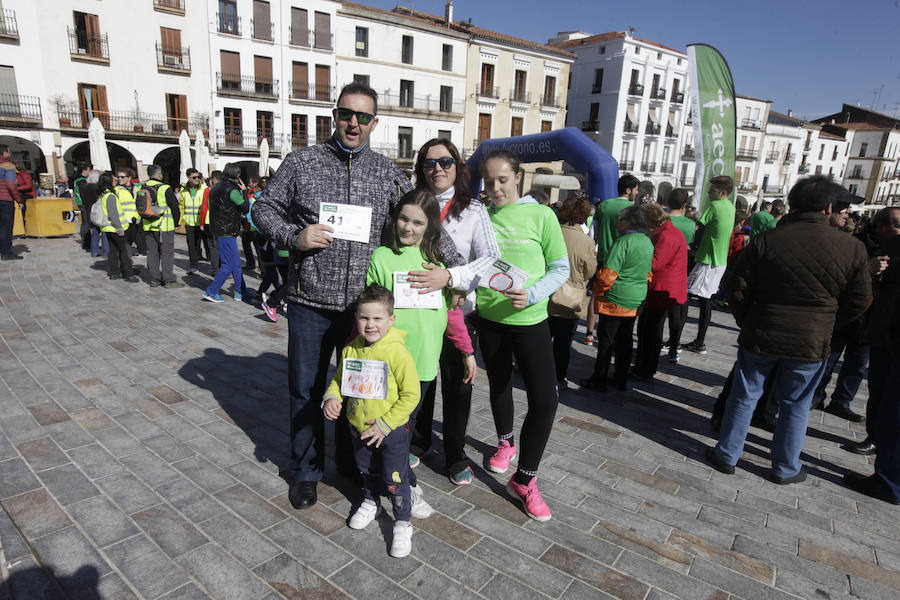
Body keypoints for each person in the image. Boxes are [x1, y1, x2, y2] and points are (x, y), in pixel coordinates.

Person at [250, 82, 463, 510]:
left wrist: (451, 271)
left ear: (374, 123)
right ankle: (307, 471)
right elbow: (263, 208)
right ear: (334, 115)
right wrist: (295, 234)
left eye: (363, 117)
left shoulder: (387, 172)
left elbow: (419, 219)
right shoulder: (302, 162)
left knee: (363, 392)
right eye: (347, 114)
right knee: (306, 390)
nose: (353, 123)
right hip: (311, 301)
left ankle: (353, 466)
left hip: (366, 312)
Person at [706, 176, 872, 484]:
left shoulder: (767, 240)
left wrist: (749, 319)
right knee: (796, 404)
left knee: (745, 396)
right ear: (829, 208)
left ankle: (727, 454)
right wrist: (829, 323)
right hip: (811, 340)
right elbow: (861, 298)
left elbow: (736, 287)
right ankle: (784, 467)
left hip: (763, 331)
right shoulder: (851, 248)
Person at [367, 189, 475, 516]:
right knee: (390, 429)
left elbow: (453, 315)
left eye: (417, 222)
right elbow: (370, 311)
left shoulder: (439, 266)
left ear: (429, 227)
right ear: (393, 217)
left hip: (425, 365)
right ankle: (401, 485)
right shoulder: (382, 258)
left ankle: (396, 481)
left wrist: (467, 351)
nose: (408, 228)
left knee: (405, 429)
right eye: (403, 218)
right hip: (391, 364)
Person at [476, 149, 569, 521]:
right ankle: (505, 442)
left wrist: (532, 293)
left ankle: (526, 478)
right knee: (498, 385)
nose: (495, 188)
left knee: (545, 400)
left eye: (502, 179)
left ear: (517, 177)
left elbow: (560, 269)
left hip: (530, 319)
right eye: (488, 181)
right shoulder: (480, 217)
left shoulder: (542, 214)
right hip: (489, 319)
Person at [404, 137, 501, 486]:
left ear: (457, 168)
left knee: (459, 388)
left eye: (445, 162)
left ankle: (456, 454)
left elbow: (490, 258)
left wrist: (452, 276)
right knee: (421, 382)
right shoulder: (411, 203)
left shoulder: (473, 210)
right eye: (429, 164)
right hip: (419, 313)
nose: (437, 169)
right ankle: (419, 440)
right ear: (421, 169)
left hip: (460, 315)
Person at [322, 284, 420, 556]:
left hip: (391, 432)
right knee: (365, 469)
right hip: (359, 430)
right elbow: (338, 381)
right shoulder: (350, 349)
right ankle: (370, 501)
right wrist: (332, 398)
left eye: (378, 318)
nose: (370, 324)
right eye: (364, 317)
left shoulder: (397, 353)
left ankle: (402, 521)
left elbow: (412, 395)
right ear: (356, 318)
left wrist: (386, 424)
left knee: (394, 477)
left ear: (391, 319)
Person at [843, 208, 900, 504]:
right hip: (884, 332)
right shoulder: (882, 246)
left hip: (891, 333)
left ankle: (889, 481)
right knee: (881, 396)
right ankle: (882, 458)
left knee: (893, 409)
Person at [581, 204, 653, 391]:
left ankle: (600, 378)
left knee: (606, 340)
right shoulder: (647, 241)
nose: (618, 222)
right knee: (625, 340)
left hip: (616, 298)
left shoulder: (623, 242)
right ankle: (621, 378)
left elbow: (608, 274)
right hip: (635, 298)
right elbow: (648, 272)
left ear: (630, 221)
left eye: (621, 219)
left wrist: (598, 289)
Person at [811, 193, 869, 422]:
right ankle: (816, 394)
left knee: (856, 363)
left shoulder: (850, 243)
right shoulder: (853, 245)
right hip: (831, 318)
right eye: (844, 210)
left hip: (861, 321)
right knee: (827, 359)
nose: (848, 215)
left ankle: (841, 400)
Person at [682, 176, 736, 354]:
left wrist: (692, 246)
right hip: (719, 261)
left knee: (685, 296)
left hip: (708, 259)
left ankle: (677, 339)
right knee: (705, 301)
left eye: (712, 190)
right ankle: (699, 341)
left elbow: (699, 226)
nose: (708, 192)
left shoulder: (715, 206)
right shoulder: (731, 207)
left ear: (722, 192)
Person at [547, 195, 597, 390]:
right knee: (563, 342)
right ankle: (558, 377)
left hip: (546, 293)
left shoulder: (552, 232)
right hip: (570, 297)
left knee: (542, 338)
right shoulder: (586, 242)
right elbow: (589, 271)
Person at [634, 203, 687, 380]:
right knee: (648, 328)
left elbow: (655, 263)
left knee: (651, 330)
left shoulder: (666, 235)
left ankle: (645, 369)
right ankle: (643, 366)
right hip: (663, 287)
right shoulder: (667, 232)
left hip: (662, 289)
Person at [587, 175, 640, 345]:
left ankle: (589, 332)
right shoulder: (633, 210)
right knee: (616, 300)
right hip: (623, 261)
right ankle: (616, 335)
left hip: (603, 259)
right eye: (636, 190)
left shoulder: (603, 206)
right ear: (628, 190)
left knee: (596, 296)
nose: (637, 193)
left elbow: (591, 232)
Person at [203, 164, 249, 302]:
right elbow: (245, 207)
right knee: (228, 264)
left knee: (235, 263)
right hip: (227, 229)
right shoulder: (232, 190)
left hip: (218, 228)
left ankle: (240, 292)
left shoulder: (215, 187)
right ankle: (211, 291)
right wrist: (245, 191)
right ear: (237, 176)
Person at [663, 188, 695, 362]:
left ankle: (652, 346)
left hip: (661, 273)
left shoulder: (662, 222)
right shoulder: (690, 225)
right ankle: (673, 349)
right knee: (677, 315)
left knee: (658, 316)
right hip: (680, 274)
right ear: (684, 205)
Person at [142, 165, 182, 288]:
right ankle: (168, 279)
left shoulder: (143, 187)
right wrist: (176, 223)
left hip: (148, 225)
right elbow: (175, 207)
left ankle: (155, 279)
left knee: (152, 252)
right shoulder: (165, 188)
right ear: (160, 175)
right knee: (167, 253)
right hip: (164, 225)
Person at [97, 172, 138, 282]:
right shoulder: (110, 196)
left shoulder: (103, 194)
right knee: (123, 251)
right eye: (115, 179)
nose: (117, 181)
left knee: (113, 251)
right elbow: (113, 214)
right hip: (115, 228)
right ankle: (128, 274)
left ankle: (114, 272)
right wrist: (119, 228)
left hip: (108, 228)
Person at [180, 168, 207, 273]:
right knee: (191, 244)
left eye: (198, 177)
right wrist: (180, 221)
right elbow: (181, 206)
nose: (197, 179)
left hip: (202, 222)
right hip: (189, 222)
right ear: (188, 177)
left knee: (207, 244)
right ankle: (193, 265)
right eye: (194, 177)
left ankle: (213, 264)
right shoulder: (184, 190)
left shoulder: (204, 189)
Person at [115, 169, 145, 257]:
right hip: (124, 221)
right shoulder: (117, 190)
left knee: (140, 244)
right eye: (118, 177)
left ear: (129, 178)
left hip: (136, 220)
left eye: (122, 177)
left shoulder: (137, 188)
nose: (119, 179)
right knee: (124, 245)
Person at [0, 145, 22, 260]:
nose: (10, 153)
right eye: (9, 151)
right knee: (6, 228)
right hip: (5, 200)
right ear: (4, 153)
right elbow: (11, 185)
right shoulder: (8, 166)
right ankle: (6, 252)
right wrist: (19, 200)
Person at [199, 170, 222, 273]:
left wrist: (202, 223)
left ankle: (215, 269)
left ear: (213, 179)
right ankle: (224, 268)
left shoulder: (209, 190)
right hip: (223, 221)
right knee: (222, 246)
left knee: (213, 246)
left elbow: (204, 207)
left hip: (210, 221)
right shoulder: (227, 189)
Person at [84, 170, 107, 259]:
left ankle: (94, 251)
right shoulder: (98, 188)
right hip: (99, 211)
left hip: (90, 210)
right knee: (104, 231)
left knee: (95, 232)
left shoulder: (85, 187)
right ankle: (105, 251)